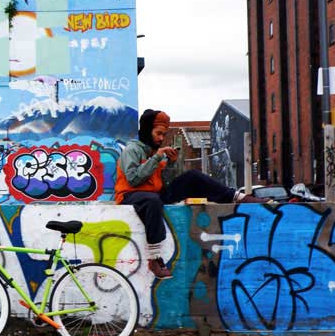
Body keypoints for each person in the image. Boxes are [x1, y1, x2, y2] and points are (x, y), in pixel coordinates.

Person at [115, 109, 268, 279]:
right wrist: (156, 159)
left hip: (154, 195)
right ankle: (154, 258)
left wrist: (172, 164)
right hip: (131, 195)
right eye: (158, 133)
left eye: (163, 134)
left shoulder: (154, 152)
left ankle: (239, 197)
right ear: (146, 130)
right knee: (152, 201)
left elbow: (166, 183)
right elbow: (133, 179)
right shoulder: (132, 150)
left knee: (193, 177)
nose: (160, 138)